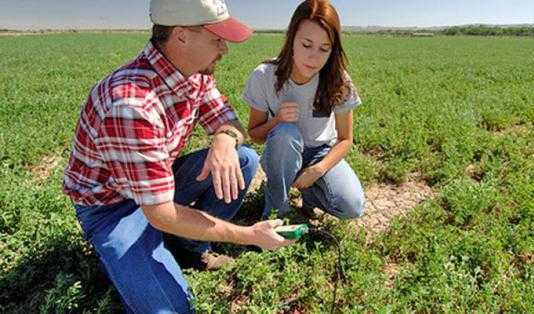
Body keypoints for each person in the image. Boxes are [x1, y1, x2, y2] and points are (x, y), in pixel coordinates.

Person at [63, 0, 293, 312]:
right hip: (112, 206)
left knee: (243, 159)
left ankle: (188, 243)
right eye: (217, 39)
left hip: (157, 184)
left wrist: (225, 140)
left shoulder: (195, 73)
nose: (224, 49)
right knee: (173, 308)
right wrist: (249, 235)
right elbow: (161, 213)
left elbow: (228, 120)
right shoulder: (131, 105)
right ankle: (126, 252)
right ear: (182, 35)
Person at [243, 0, 365, 220]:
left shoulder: (338, 80)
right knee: (285, 133)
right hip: (283, 150)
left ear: (332, 49)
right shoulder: (264, 76)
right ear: (291, 39)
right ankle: (275, 210)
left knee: (352, 206)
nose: (314, 57)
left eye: (324, 49)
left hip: (321, 152)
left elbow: (346, 140)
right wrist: (277, 120)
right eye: (306, 45)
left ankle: (308, 194)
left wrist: (318, 169)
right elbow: (255, 135)